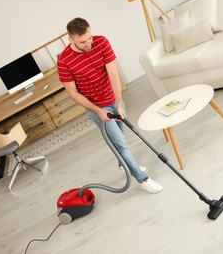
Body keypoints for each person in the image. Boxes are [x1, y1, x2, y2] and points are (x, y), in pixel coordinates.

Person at [57, 17, 163, 194]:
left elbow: (113, 74)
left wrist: (119, 104)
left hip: (114, 99)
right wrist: (98, 111)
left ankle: (123, 165)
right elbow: (73, 93)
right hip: (98, 108)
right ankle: (142, 180)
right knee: (121, 145)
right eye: (83, 41)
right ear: (71, 39)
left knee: (119, 138)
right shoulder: (65, 61)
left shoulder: (101, 42)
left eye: (89, 37)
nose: (89, 43)